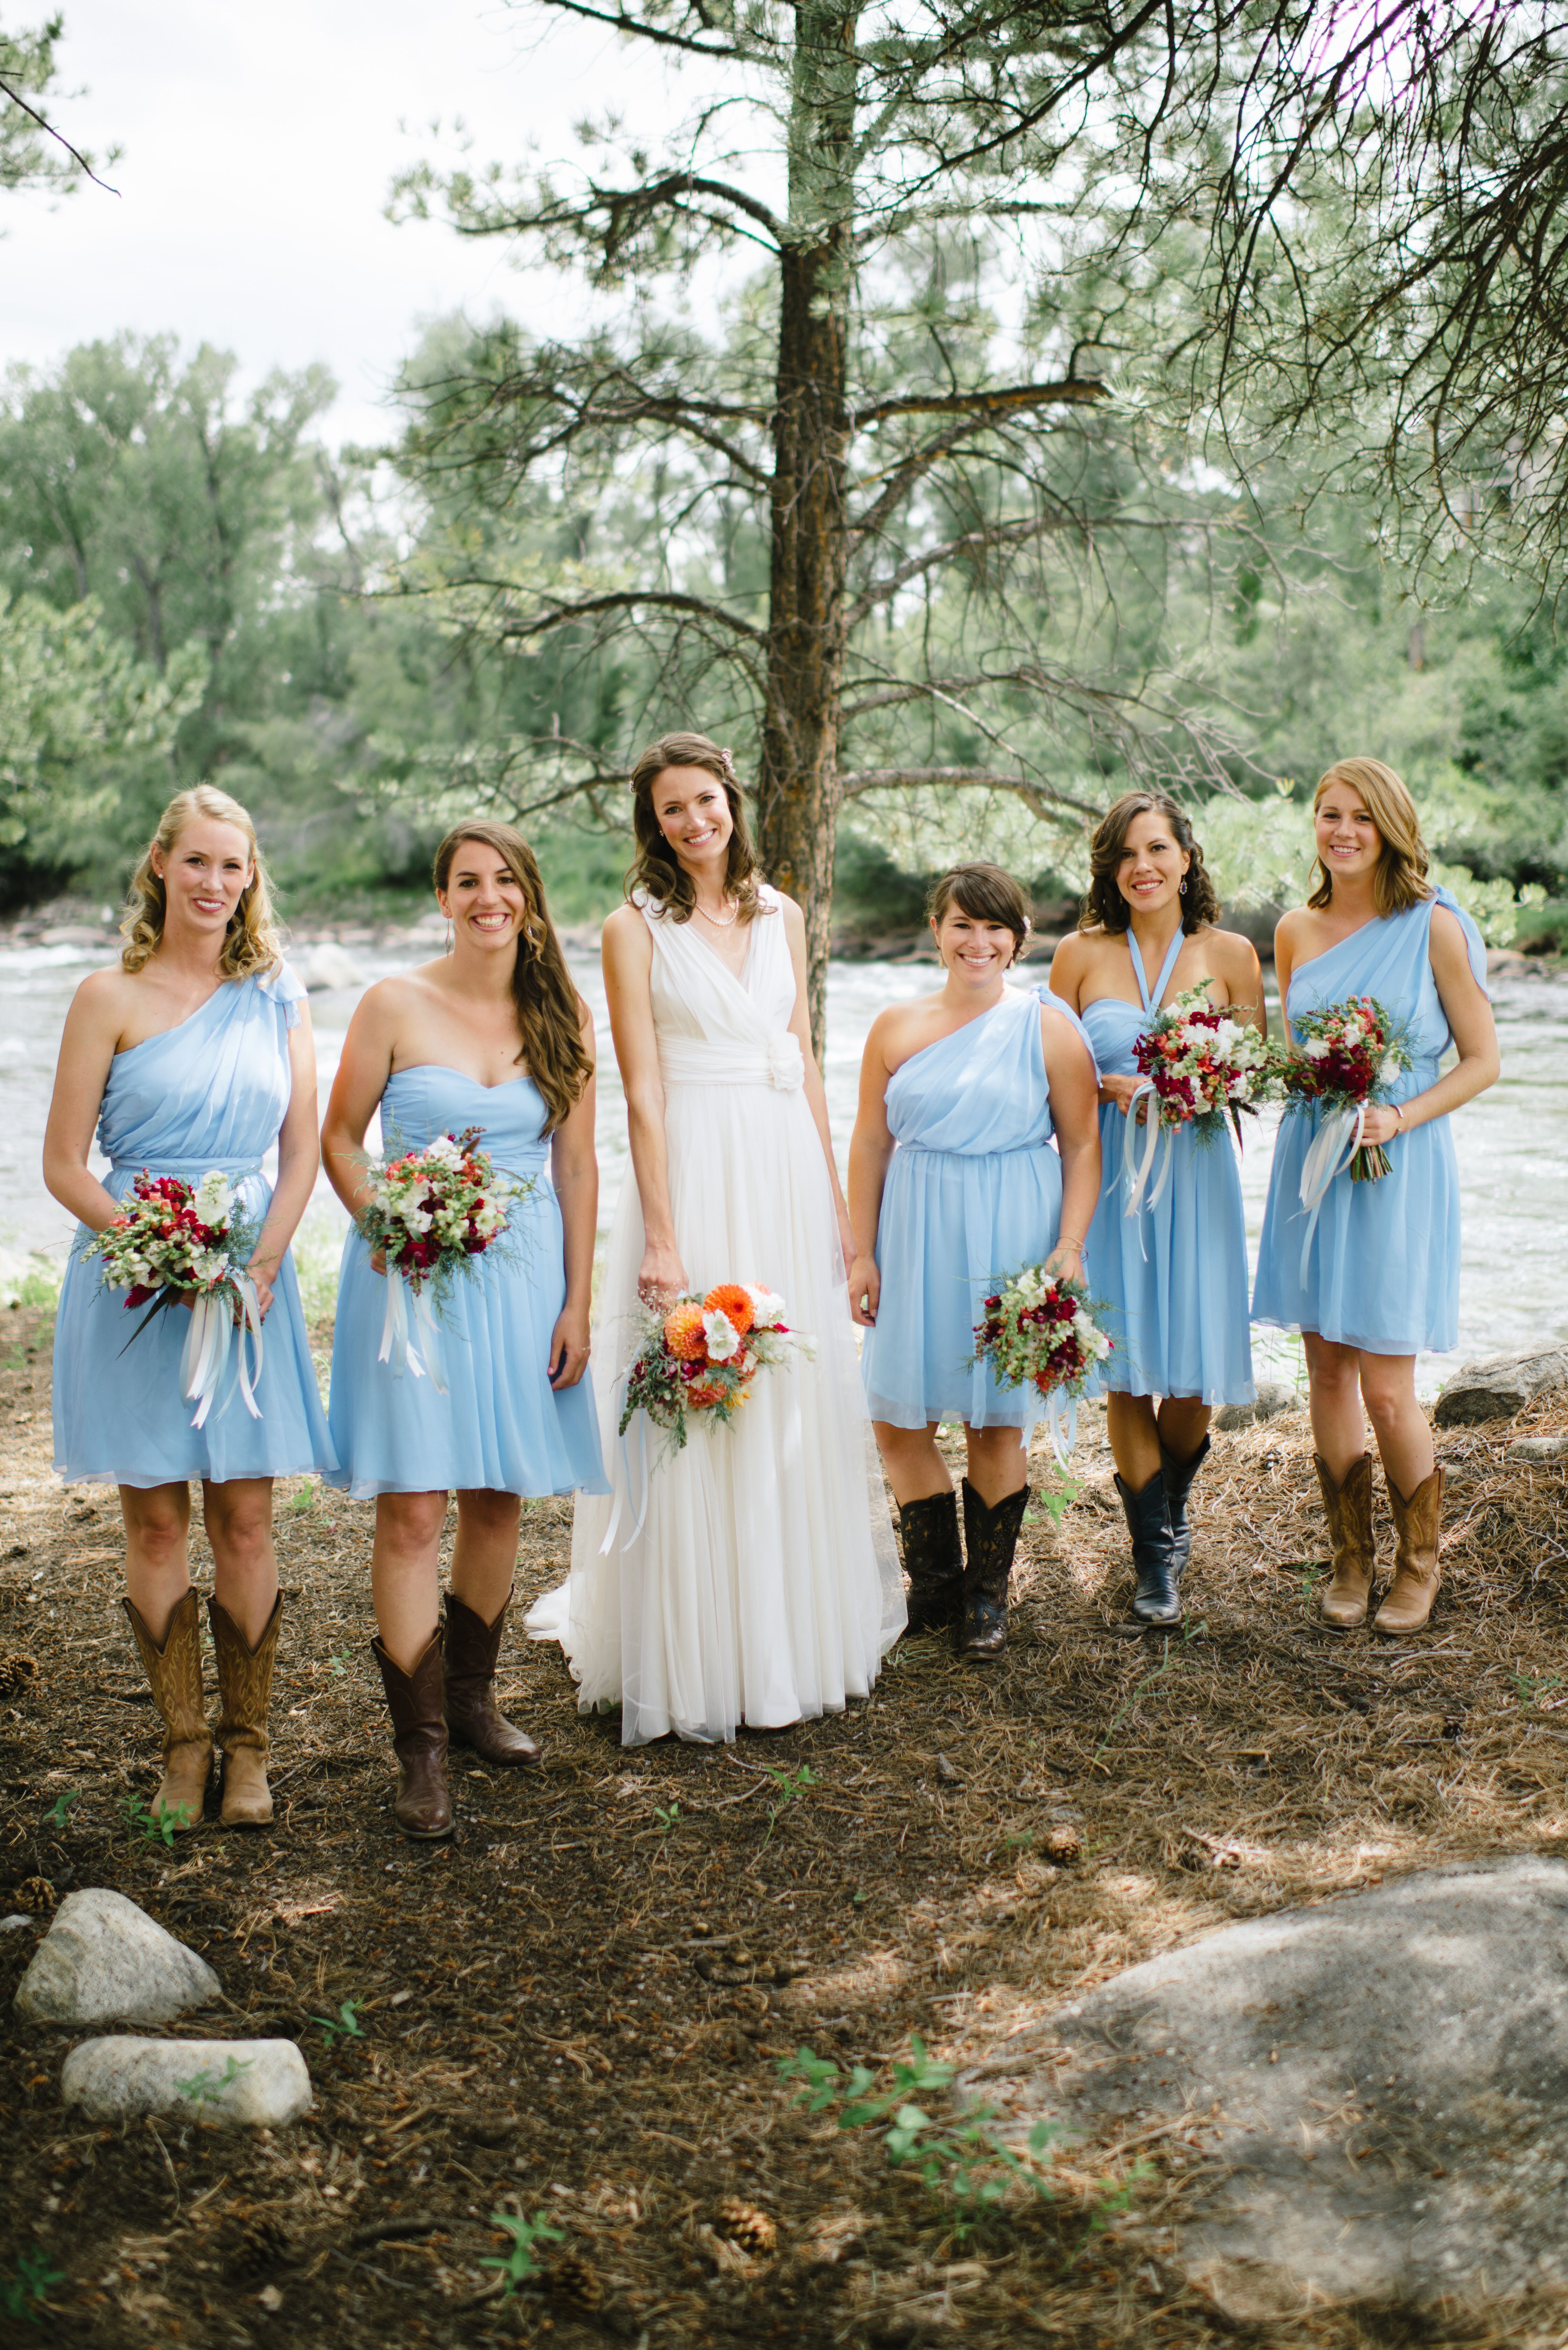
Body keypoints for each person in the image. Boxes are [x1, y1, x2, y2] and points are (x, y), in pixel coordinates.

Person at [527, 732, 904, 1743]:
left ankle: (791, 1634)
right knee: (699, 1384)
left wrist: (834, 1205)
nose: (694, 821)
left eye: (706, 801)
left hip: (781, 1160)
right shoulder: (632, 928)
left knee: (787, 1384)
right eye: (671, 810)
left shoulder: (781, 910)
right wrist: (660, 1234)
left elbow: (805, 1060)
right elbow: (641, 1090)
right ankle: (700, 1652)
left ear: (731, 799)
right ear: (651, 825)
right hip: (695, 1164)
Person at [43, 785, 333, 1831]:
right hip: (135, 1272)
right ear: (159, 864)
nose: (214, 882)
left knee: (246, 1515)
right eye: (196, 861)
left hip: (246, 1276)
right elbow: (64, 1165)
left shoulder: (279, 994)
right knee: (158, 1515)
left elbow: (300, 1153)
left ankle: (250, 1750)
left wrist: (259, 1262)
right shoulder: (103, 998)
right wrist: (149, 1241)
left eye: (233, 864)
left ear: (252, 877)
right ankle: (182, 1744)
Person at [321, 821, 605, 1838]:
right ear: (443, 898)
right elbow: (340, 1139)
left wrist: (577, 1299)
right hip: (413, 1283)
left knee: (498, 1493)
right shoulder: (393, 1002)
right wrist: (388, 1223)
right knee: (411, 1509)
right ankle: (423, 1750)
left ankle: (478, 1701)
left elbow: (576, 1167)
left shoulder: (561, 1010)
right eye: (468, 882)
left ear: (530, 896)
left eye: (506, 881)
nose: (489, 898)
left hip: (525, 1280)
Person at [1253, 759, 1498, 1635]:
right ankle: (1350, 1557)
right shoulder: (1293, 929)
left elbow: (1483, 1061)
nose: (1343, 831)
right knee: (1326, 1368)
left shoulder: (1434, 926)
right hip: (1316, 1161)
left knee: (1390, 1389)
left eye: (1360, 816)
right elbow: (1297, 1052)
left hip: (1398, 1162)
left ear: (1391, 825)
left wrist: (1397, 1114)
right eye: (1329, 815)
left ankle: (1419, 1563)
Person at [847, 864, 1101, 1657]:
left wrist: (1068, 1246)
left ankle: (987, 1599)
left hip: (1012, 1228)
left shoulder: (1048, 1026)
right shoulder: (893, 1025)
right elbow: (869, 1142)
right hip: (915, 1228)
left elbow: (1084, 1142)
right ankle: (939, 1583)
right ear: (937, 931)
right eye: (963, 924)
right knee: (898, 1419)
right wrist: (861, 1251)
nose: (978, 941)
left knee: (995, 1419)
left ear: (1018, 940)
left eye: (995, 928)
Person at [1050, 793, 1263, 1626]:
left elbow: (1253, 1073)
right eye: (1125, 854)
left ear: (1186, 857)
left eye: (1158, 849)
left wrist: (1201, 1081)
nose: (1143, 866)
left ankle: (1169, 1505)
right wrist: (1100, 1084)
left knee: (1197, 1369)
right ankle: (1154, 1558)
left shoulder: (1234, 952)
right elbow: (1048, 1071)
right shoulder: (1077, 954)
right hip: (1107, 1174)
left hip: (1197, 1172)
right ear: (1110, 868)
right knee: (1124, 1360)